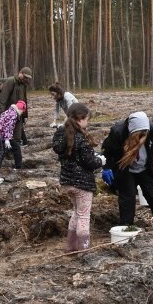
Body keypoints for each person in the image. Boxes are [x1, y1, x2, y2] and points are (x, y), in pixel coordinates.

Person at [101, 111, 153, 227]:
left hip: (143, 168)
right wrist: (106, 168)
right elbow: (107, 151)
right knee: (127, 196)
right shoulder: (118, 132)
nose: (143, 136)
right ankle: (126, 226)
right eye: (140, 134)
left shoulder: (150, 128)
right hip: (125, 169)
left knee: (151, 193)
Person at [52, 103, 105, 252]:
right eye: (87, 119)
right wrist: (101, 160)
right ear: (80, 119)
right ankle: (83, 248)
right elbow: (89, 162)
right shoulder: (81, 138)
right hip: (82, 184)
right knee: (84, 215)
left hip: (67, 182)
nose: (88, 122)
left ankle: (70, 246)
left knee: (76, 212)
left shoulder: (61, 134)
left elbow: (73, 156)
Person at [0, 67, 31, 146]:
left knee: (17, 137)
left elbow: (24, 100)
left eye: (27, 78)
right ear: (20, 73)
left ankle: (15, 155)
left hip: (19, 115)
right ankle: (7, 154)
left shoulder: (24, 84)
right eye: (25, 77)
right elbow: (3, 99)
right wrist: (1, 115)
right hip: (9, 115)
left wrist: (25, 115)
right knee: (7, 135)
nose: (26, 79)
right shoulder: (10, 81)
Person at [0, 100, 26, 169]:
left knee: (1, 150)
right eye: (23, 111)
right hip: (2, 135)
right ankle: (18, 167)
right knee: (16, 148)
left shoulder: (9, 111)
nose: (23, 112)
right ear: (21, 109)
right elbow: (8, 126)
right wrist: (7, 139)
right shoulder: (13, 114)